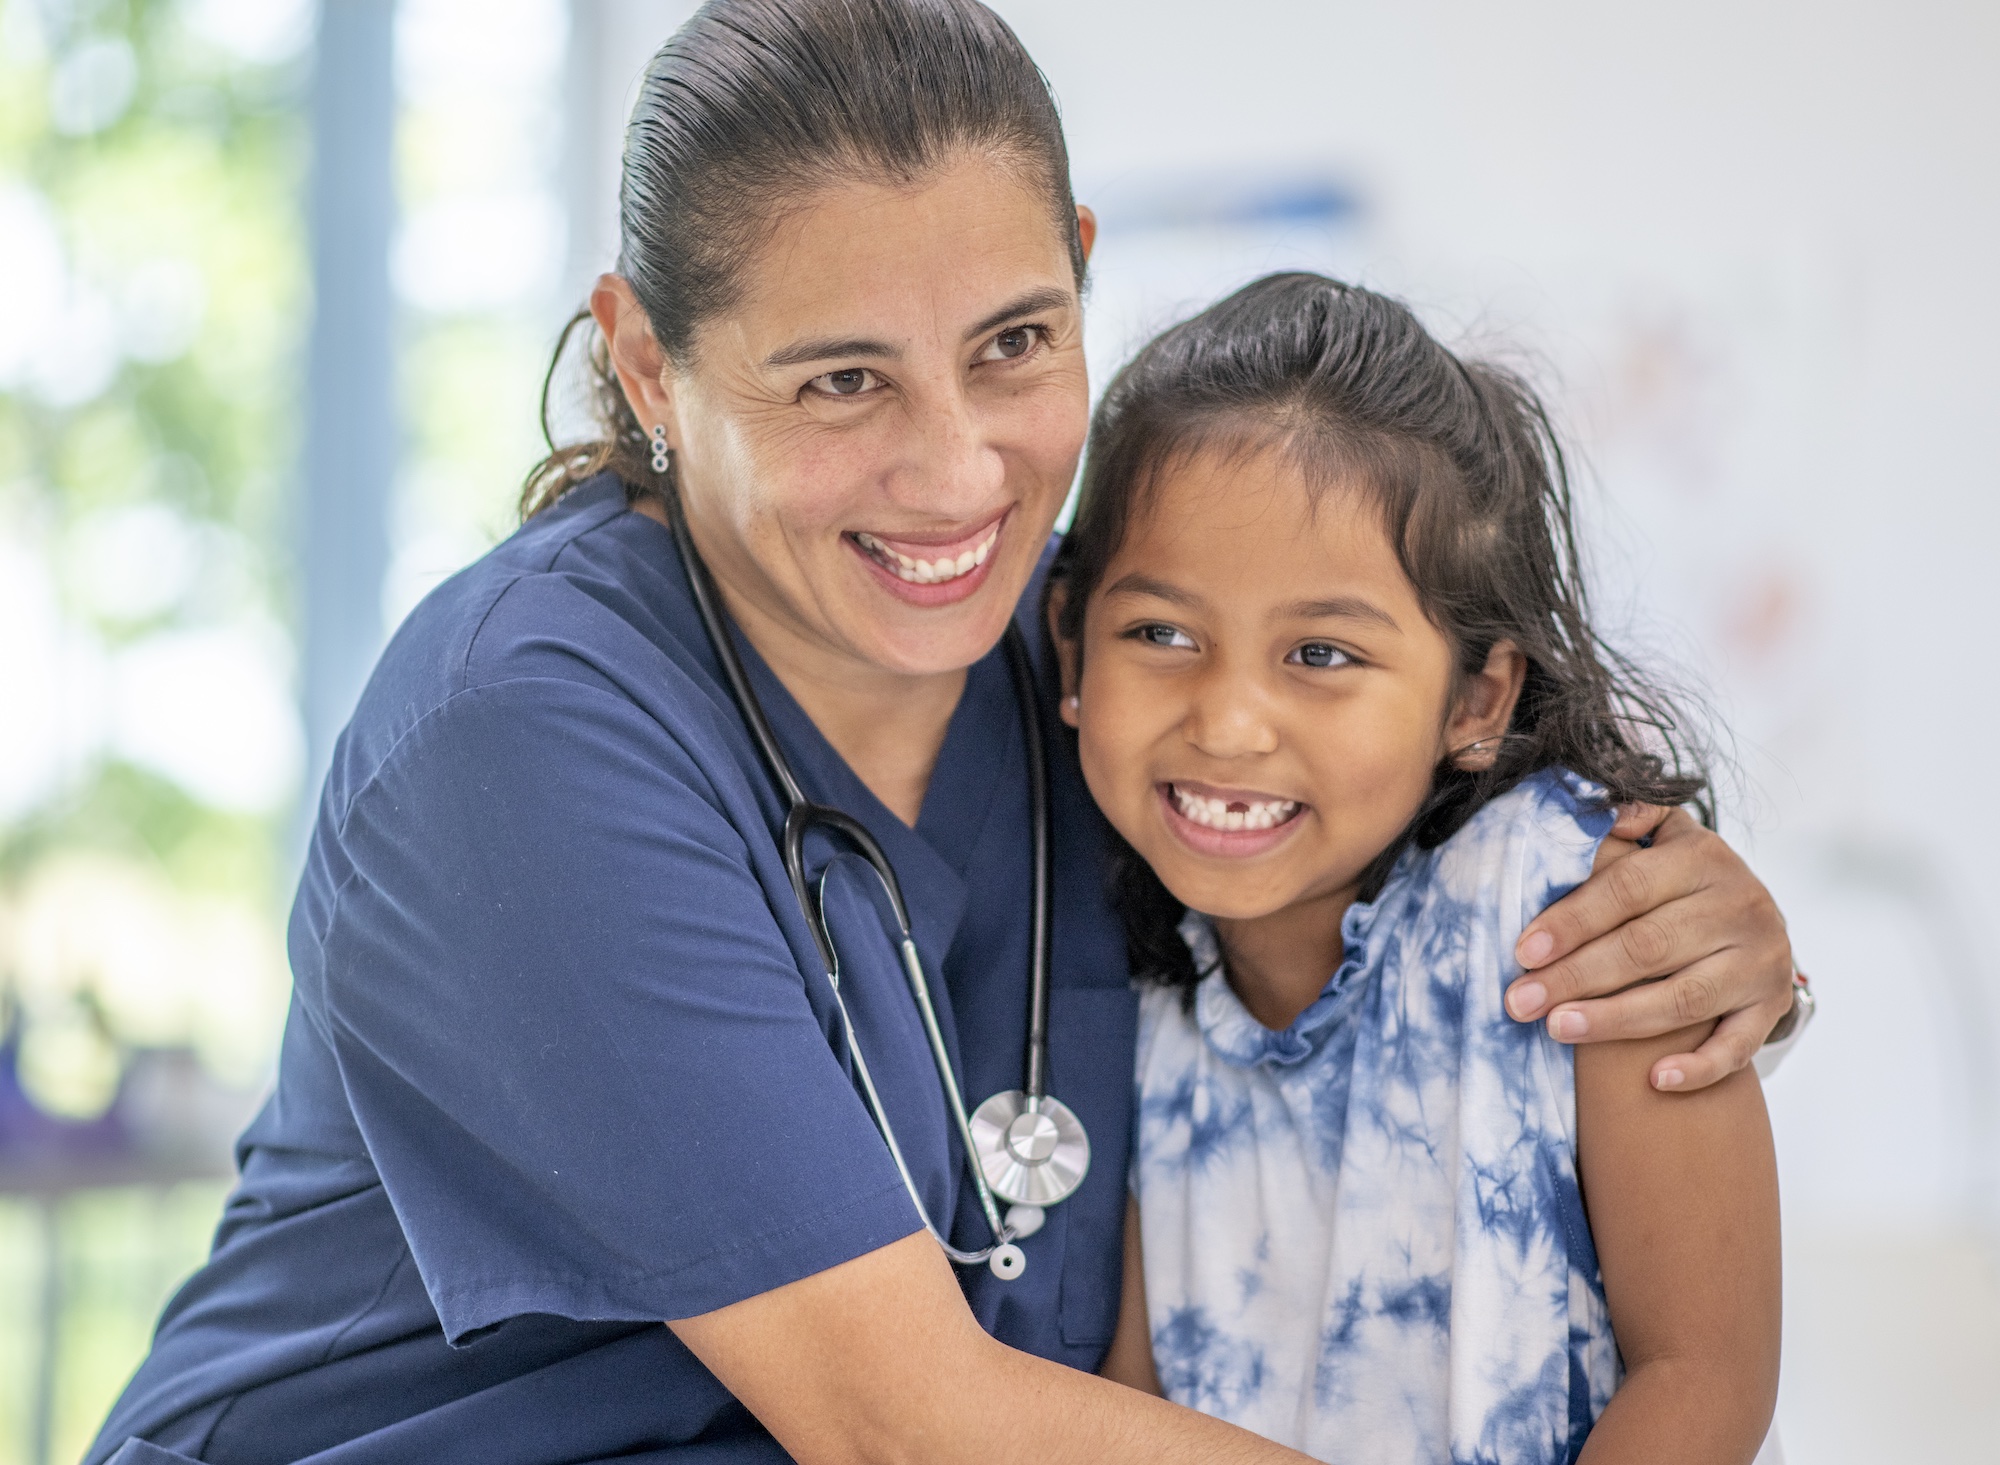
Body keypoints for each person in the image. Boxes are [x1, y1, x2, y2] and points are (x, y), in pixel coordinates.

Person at [87, 4, 1799, 1463]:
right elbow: (908, 1422)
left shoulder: (1110, 670)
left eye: (1013, 345)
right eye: (842, 380)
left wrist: (1680, 915)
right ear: (647, 367)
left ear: (1085, 280)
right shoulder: (521, 741)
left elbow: (1393, 887)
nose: (959, 471)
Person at [1058, 274, 1778, 1462]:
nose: (1230, 722)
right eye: (1161, 634)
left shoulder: (1587, 908)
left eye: (1322, 652)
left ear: (1475, 698)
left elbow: (1701, 1376)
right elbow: (1136, 1405)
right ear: (1070, 647)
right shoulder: (1130, 1000)